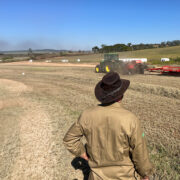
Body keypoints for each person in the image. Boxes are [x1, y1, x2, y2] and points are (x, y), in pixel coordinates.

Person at [63, 72, 154, 180]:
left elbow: (69, 140)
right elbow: (139, 152)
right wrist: (145, 174)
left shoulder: (86, 115)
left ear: (102, 95)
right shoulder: (130, 119)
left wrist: (83, 154)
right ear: (122, 94)